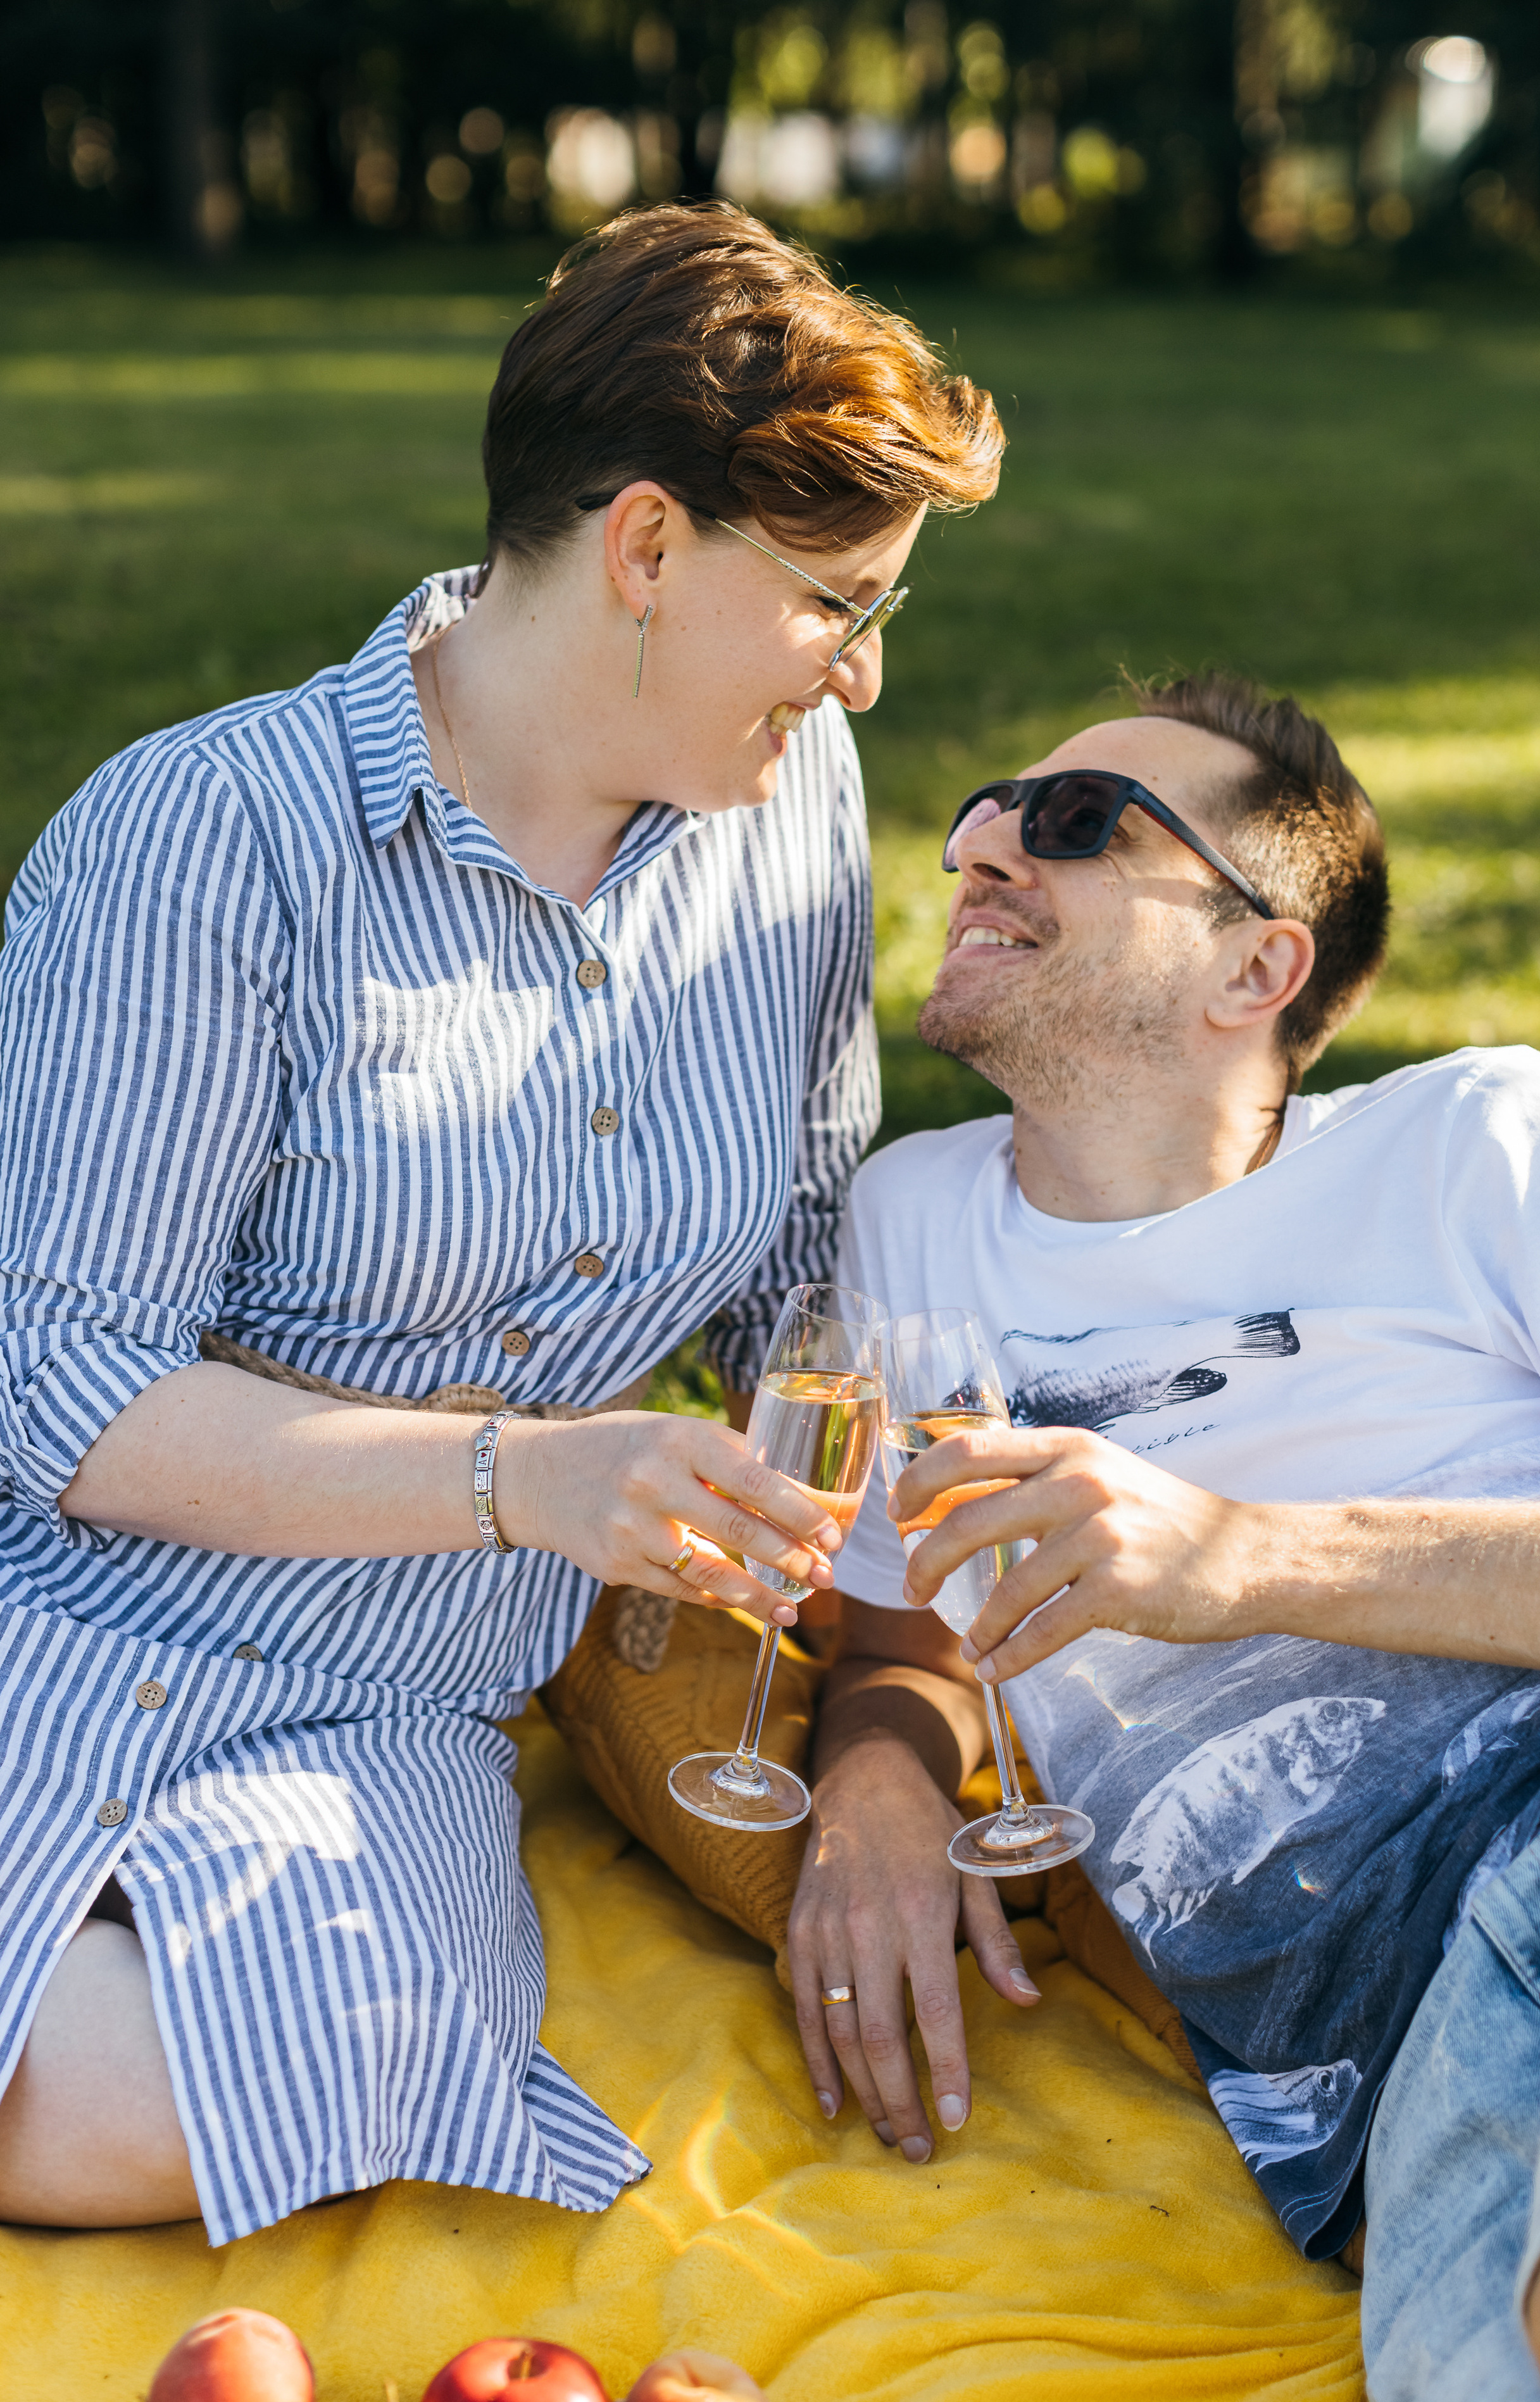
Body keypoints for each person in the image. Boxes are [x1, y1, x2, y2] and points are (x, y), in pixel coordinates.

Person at [0, 201, 1003, 2245]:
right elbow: (66, 1397)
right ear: (645, 548)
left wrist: (901, 1704)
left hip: (391, 1697)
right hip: (63, 1615)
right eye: (831, 605)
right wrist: (518, 1470)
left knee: (285, 2087)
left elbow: (816, 1249)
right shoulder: (207, 844)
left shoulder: (784, 807)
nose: (870, 679)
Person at [789, 672, 1540, 2402]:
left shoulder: (1479, 1146)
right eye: (997, 810)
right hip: (1387, 2084)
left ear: (1262, 967)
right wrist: (875, 1788)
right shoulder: (912, 1223)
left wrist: (1244, 1556)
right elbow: (899, 1647)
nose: (992, 840)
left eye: (1086, 824)